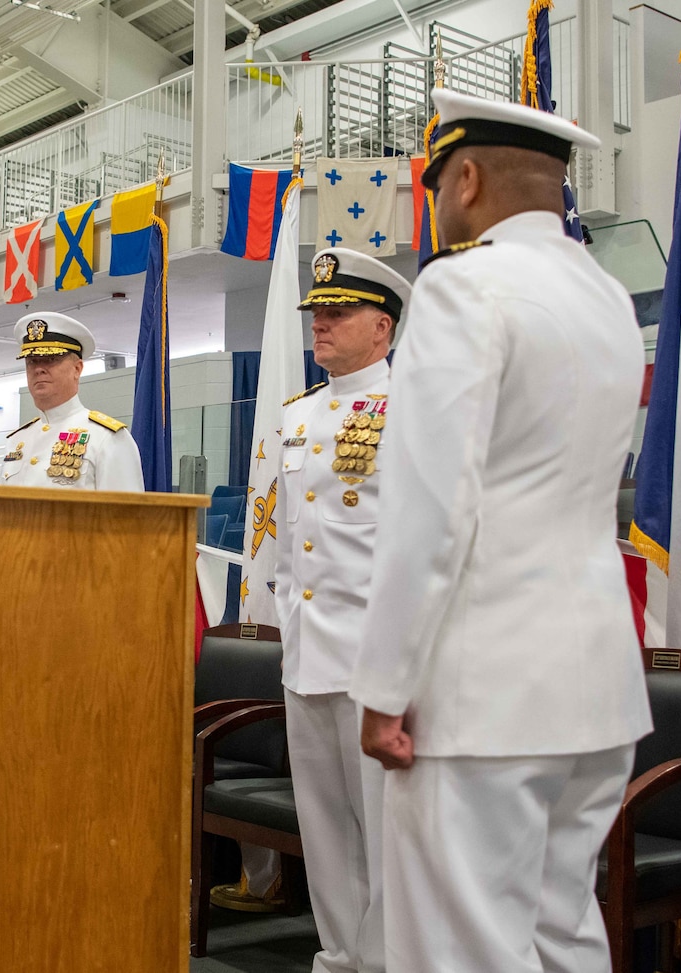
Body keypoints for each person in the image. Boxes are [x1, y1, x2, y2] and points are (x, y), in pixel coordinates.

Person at [350, 89, 652, 973]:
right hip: (595, 686)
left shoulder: (463, 285)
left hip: (481, 692)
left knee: (459, 953)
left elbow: (433, 505)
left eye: (438, 182)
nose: (438, 200)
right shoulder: (607, 299)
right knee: (564, 935)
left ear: (468, 177)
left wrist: (384, 682)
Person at [271, 248, 410, 973]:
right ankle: (342, 958)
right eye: (317, 312)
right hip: (308, 658)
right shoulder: (297, 416)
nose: (319, 323)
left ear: (381, 327)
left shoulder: (413, 407)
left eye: (338, 312)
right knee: (325, 833)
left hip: (374, 663)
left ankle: (387, 963)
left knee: (388, 839)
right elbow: (292, 551)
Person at [0, 313, 143, 491]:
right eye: (32, 361)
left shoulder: (106, 438)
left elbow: (125, 516)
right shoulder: (17, 440)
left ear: (77, 369)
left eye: (50, 359)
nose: (39, 369)